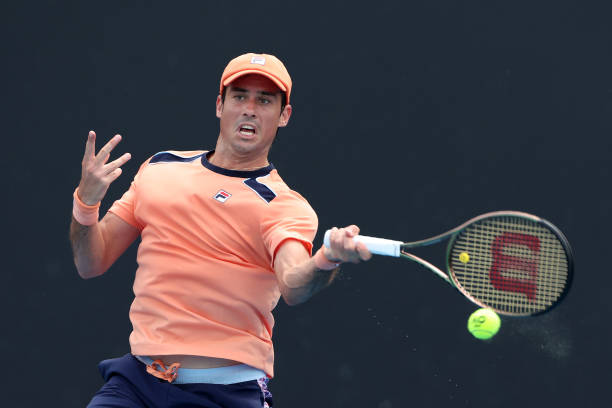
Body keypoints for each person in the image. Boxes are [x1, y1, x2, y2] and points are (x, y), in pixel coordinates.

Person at [70, 52, 371, 408]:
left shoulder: (284, 205)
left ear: (284, 116)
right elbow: (91, 262)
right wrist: (85, 204)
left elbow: (293, 284)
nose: (250, 110)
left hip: (225, 395)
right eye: (240, 97)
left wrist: (327, 259)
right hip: (137, 386)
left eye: (264, 101)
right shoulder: (160, 169)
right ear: (219, 105)